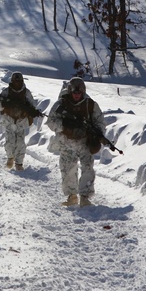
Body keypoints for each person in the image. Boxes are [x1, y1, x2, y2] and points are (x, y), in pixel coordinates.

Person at [47, 77, 106, 207]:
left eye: (79, 93)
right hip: (66, 142)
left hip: (85, 143)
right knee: (68, 169)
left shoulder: (90, 104)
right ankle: (71, 196)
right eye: (74, 93)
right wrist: (66, 128)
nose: (76, 95)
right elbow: (51, 121)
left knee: (88, 168)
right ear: (70, 91)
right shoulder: (61, 104)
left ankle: (85, 197)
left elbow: (100, 121)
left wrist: (97, 134)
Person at [0, 72, 38, 171]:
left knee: (20, 143)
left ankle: (19, 163)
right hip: (9, 120)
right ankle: (10, 158)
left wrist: (32, 111)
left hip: (21, 121)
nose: (17, 83)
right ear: (12, 81)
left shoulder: (26, 93)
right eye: (16, 81)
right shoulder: (6, 92)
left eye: (19, 81)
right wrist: (5, 105)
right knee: (10, 142)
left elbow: (32, 105)